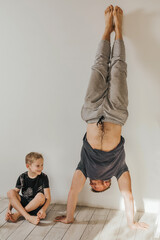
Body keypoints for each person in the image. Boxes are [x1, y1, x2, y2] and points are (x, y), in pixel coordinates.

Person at [55, 5, 149, 230]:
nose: (99, 182)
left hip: (91, 111)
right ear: (108, 183)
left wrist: (69, 217)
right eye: (103, 185)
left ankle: (107, 29)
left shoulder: (84, 168)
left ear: (90, 182)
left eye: (94, 185)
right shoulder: (119, 169)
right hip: (116, 113)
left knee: (98, 67)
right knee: (118, 69)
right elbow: (128, 196)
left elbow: (73, 192)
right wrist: (131, 222)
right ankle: (119, 31)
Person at [5, 152, 51, 225]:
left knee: (41, 196)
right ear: (28, 166)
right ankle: (28, 217)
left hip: (37, 208)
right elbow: (13, 195)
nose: (41, 168)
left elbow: (48, 198)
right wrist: (8, 210)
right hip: (24, 205)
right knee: (10, 192)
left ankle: (19, 214)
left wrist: (43, 210)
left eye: (42, 165)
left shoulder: (44, 177)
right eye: (38, 166)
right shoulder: (22, 177)